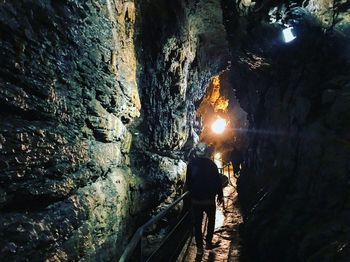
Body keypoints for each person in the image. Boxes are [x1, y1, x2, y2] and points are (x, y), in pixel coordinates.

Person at [185, 143, 223, 254]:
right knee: (211, 220)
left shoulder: (191, 164)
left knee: (197, 224)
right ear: (206, 152)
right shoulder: (212, 164)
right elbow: (217, 181)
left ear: (196, 152)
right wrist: (220, 195)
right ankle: (208, 242)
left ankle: (199, 248)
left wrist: (191, 194)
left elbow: (188, 182)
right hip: (209, 199)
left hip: (196, 200)